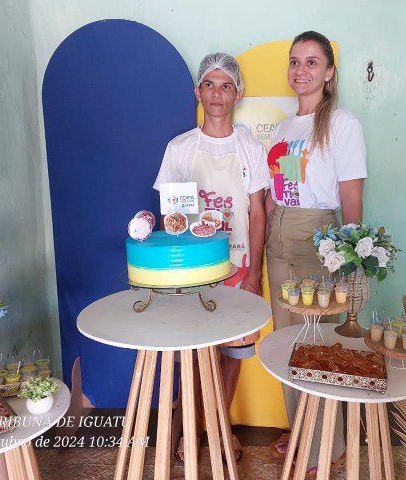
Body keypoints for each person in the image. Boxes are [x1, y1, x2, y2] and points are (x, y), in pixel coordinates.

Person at [153, 52, 269, 462]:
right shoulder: (180, 148)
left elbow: (258, 212)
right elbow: (172, 216)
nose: (217, 94)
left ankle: (220, 431)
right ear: (197, 91)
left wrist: (254, 272)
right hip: (194, 269)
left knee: (232, 354)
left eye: (226, 85)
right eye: (209, 84)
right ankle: (190, 431)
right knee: (195, 352)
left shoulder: (250, 146)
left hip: (238, 267)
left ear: (238, 93)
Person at [265, 31, 367, 477]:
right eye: (294, 62)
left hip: (317, 238)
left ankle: (329, 444)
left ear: (329, 72)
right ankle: (301, 427)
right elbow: (276, 190)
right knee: (286, 341)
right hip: (278, 233)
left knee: (317, 342)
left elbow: (351, 195)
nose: (300, 70)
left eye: (311, 62)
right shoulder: (286, 127)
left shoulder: (342, 123)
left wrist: (350, 257)